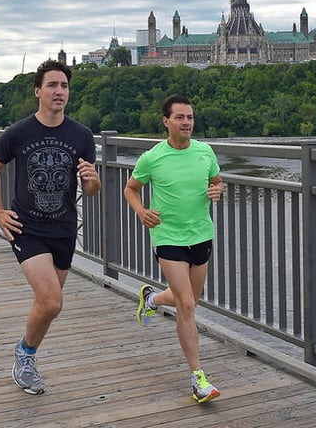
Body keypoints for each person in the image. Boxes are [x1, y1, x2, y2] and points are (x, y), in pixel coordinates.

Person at [0, 60, 101, 395]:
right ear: (38, 91)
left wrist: (93, 182)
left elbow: (91, 190)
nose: (59, 91)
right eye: (52, 85)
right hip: (27, 229)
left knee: (47, 303)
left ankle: (26, 352)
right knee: (51, 302)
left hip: (64, 230)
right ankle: (26, 355)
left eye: (64, 86)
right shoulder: (19, 132)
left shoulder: (81, 136)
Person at [123, 94, 224, 404]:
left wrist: (217, 190)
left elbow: (217, 181)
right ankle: (198, 379)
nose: (187, 123)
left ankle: (151, 298)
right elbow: (131, 189)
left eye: (190, 117)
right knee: (187, 305)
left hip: (201, 234)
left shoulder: (205, 152)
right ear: (166, 121)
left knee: (191, 299)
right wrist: (141, 211)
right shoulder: (152, 158)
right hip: (168, 237)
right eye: (180, 118)